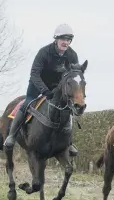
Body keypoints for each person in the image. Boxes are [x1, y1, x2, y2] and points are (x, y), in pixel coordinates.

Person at [4, 23, 79, 155]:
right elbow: (34, 74)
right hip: (37, 84)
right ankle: (12, 135)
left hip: (57, 87)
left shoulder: (72, 55)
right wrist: (44, 91)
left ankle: (69, 143)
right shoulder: (44, 52)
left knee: (68, 107)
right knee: (27, 103)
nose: (66, 42)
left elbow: (74, 76)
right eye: (63, 39)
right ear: (56, 39)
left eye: (68, 40)